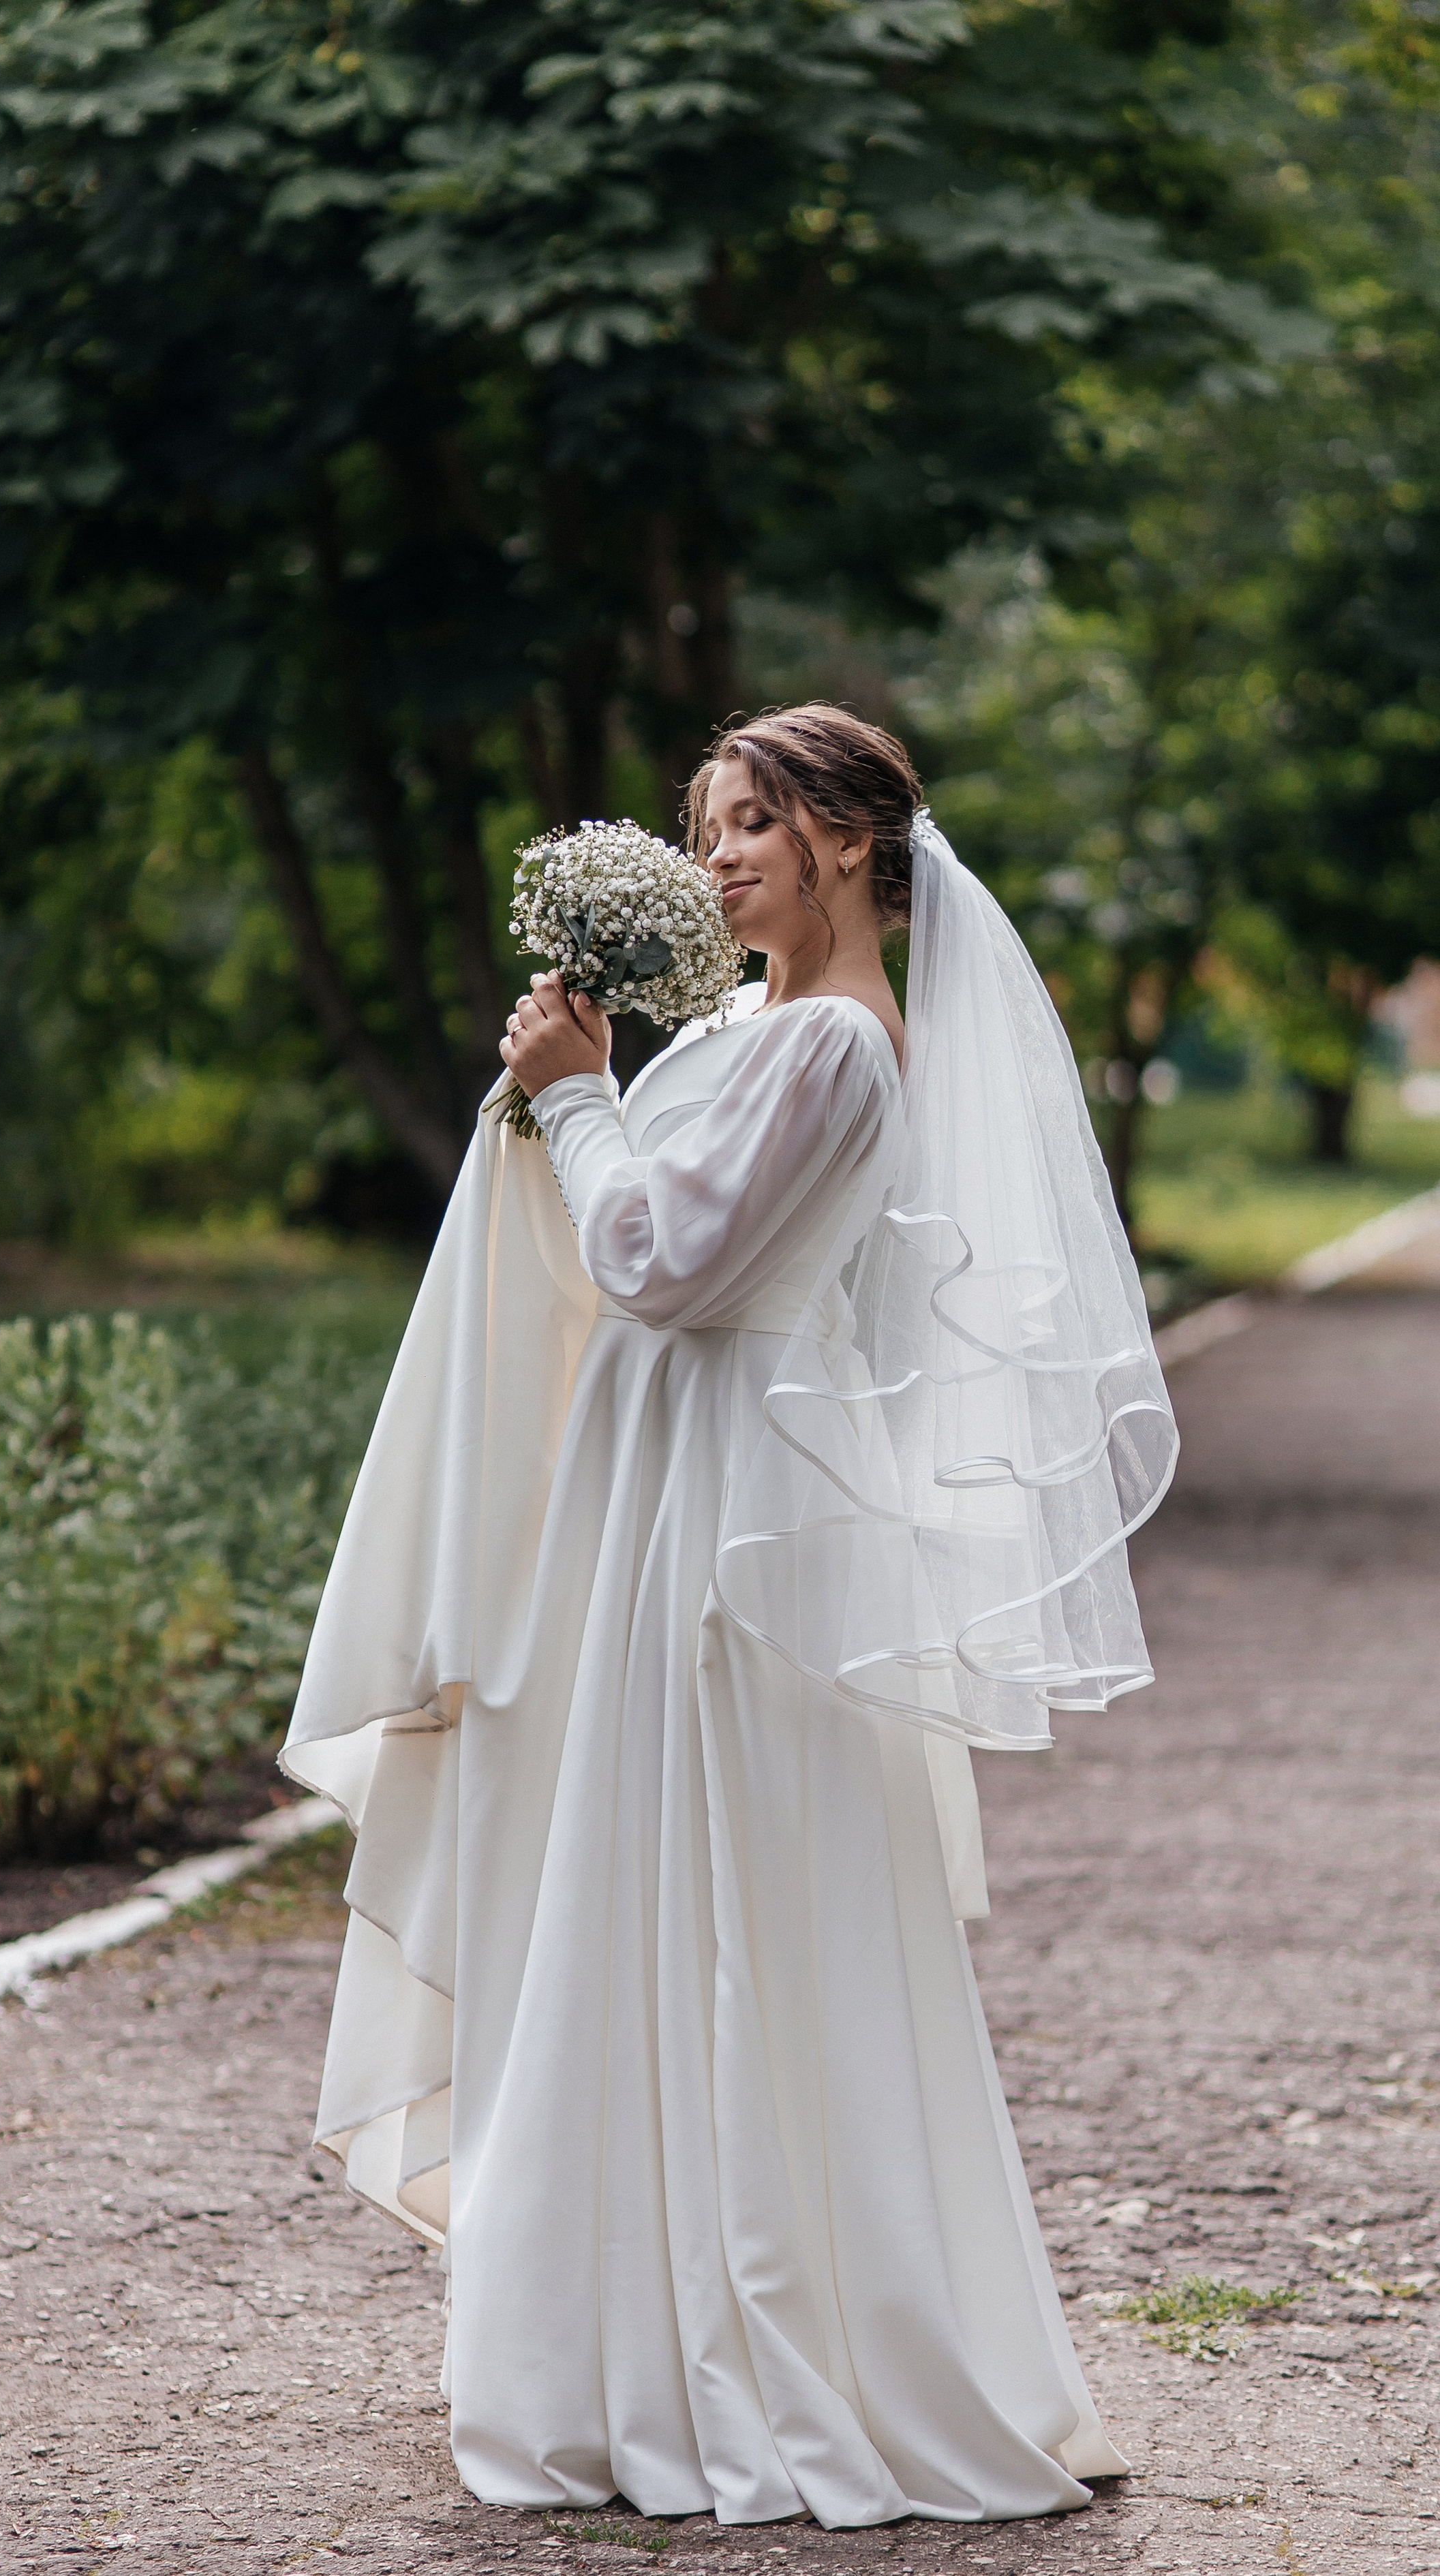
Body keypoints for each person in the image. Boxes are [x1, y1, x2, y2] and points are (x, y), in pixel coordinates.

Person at [282, 704, 1176, 2529]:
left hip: (726, 1530)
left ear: (849, 839)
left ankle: (748, 2349)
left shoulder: (839, 1050)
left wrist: (581, 1092)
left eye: (755, 823)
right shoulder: (760, 1029)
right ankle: (627, 2327)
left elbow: (668, 1269)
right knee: (635, 1898)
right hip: (662, 1495)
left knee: (711, 1908)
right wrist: (573, 1090)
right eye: (707, 829)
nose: (722, 860)